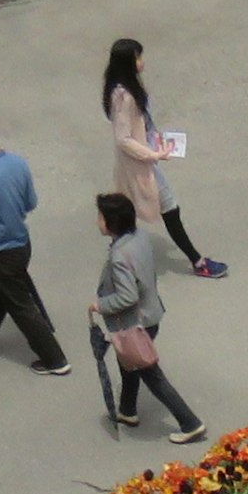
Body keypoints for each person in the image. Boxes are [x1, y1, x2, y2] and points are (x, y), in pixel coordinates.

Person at [91, 190, 207, 444]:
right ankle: (127, 410)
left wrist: (100, 305)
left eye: (100, 217)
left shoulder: (119, 256)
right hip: (152, 313)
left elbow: (126, 297)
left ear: (110, 223)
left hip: (137, 322)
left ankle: (190, 423)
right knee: (129, 363)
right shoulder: (139, 238)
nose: (97, 221)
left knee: (151, 375)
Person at [0, 115, 70, 371]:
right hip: (21, 244)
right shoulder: (18, 163)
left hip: (0, 252)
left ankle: (54, 359)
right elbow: (31, 202)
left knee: (21, 306)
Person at [105, 39, 226, 277]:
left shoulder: (125, 88)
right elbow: (124, 139)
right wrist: (153, 153)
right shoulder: (123, 96)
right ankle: (197, 261)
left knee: (129, 208)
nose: (142, 62)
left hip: (142, 160)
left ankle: (121, 255)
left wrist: (154, 141)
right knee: (168, 207)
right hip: (139, 164)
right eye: (138, 57)